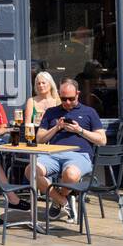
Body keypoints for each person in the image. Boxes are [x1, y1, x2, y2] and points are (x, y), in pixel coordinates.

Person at [31, 79, 107, 220]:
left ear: (78, 94)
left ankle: (57, 200)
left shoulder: (89, 112)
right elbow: (40, 139)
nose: (66, 102)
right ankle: (64, 201)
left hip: (79, 155)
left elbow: (102, 140)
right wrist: (56, 127)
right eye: (63, 98)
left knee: (71, 174)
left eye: (70, 99)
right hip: (52, 154)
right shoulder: (51, 112)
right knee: (31, 170)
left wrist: (80, 131)